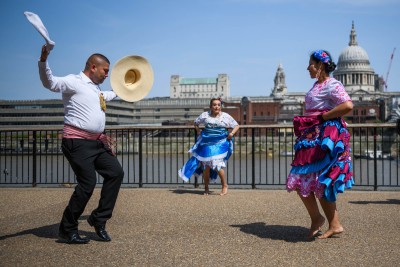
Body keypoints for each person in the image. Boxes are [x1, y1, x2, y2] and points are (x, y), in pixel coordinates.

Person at [38, 45, 124, 244]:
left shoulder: (96, 89)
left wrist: (127, 88)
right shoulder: (73, 82)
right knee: (88, 184)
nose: (107, 75)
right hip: (76, 142)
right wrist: (43, 60)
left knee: (116, 173)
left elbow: (107, 96)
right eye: (105, 71)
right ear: (93, 67)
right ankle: (67, 229)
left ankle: (98, 219)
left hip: (96, 142)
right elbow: (50, 82)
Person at [286, 50, 354, 239]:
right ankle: (324, 221)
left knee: (319, 180)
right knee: (305, 180)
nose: (307, 67)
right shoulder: (317, 85)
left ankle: (330, 223)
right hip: (311, 138)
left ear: (320, 66)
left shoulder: (333, 84)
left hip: (324, 138)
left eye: (311, 64)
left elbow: (348, 105)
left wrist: (323, 117)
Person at [178, 98, 239, 196]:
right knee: (206, 166)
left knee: (217, 164)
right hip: (206, 143)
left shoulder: (225, 116)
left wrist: (231, 133)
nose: (217, 107)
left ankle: (224, 185)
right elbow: (196, 123)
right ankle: (206, 187)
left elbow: (236, 125)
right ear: (211, 106)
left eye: (219, 105)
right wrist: (198, 131)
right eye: (214, 105)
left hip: (220, 142)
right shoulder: (205, 115)